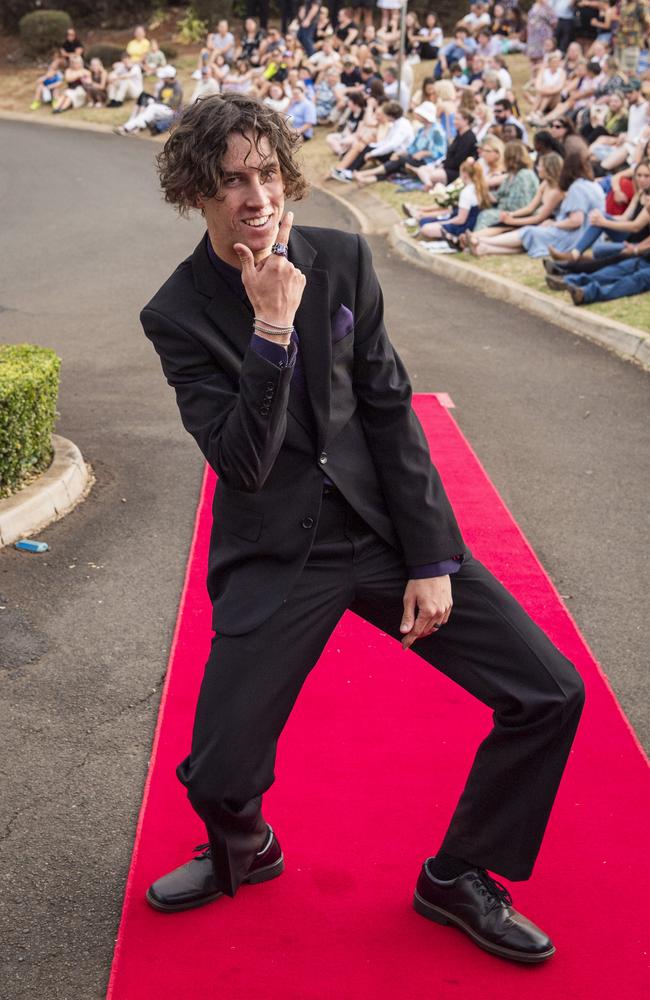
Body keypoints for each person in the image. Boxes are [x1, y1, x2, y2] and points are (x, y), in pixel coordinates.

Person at [141, 93, 584, 964]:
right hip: (276, 551)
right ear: (196, 193)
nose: (255, 197)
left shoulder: (342, 260)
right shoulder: (177, 313)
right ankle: (246, 846)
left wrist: (430, 558)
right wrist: (270, 329)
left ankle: (459, 876)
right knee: (219, 774)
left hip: (383, 535)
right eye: (230, 182)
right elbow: (243, 464)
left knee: (549, 692)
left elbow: (388, 411)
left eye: (267, 173)